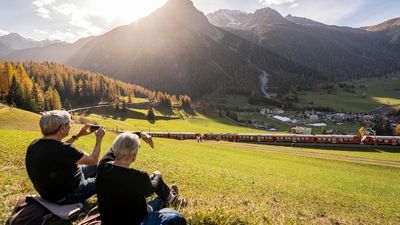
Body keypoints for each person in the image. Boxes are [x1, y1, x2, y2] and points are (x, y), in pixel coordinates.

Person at [97, 132, 186, 225]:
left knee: (158, 199)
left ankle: (169, 198)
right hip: (138, 220)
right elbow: (151, 189)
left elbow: (119, 144)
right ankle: (171, 199)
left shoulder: (102, 166)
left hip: (108, 220)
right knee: (173, 214)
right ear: (134, 155)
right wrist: (158, 176)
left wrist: (139, 134)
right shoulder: (139, 177)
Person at [26, 110, 106, 204]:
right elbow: (93, 160)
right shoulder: (65, 150)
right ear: (62, 129)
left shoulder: (35, 144)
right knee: (106, 177)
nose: (71, 125)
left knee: (102, 166)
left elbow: (59, 149)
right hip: (70, 194)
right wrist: (99, 139)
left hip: (50, 193)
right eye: (69, 123)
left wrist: (78, 135)